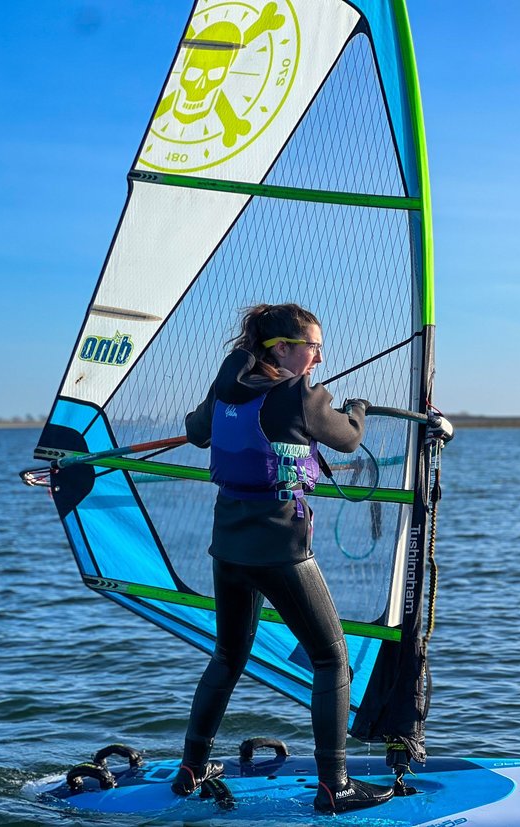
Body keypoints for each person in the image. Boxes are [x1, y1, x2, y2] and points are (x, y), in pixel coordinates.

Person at [171, 303, 394, 814]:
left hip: (228, 549)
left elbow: (197, 431)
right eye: (313, 347)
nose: (319, 358)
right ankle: (335, 786)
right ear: (283, 349)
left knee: (227, 656)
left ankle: (191, 767)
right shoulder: (300, 396)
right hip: (281, 551)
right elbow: (348, 437)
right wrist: (358, 408)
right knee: (331, 658)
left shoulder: (226, 387)